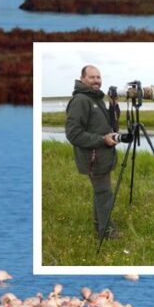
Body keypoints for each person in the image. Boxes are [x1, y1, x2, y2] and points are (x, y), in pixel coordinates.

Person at [65, 65, 121, 239]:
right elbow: (73, 134)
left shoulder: (96, 99)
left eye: (98, 77)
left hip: (102, 156)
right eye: (92, 77)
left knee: (101, 193)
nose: (96, 81)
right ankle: (106, 232)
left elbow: (110, 124)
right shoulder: (81, 100)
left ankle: (100, 226)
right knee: (104, 194)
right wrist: (101, 140)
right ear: (82, 79)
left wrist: (113, 105)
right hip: (93, 158)